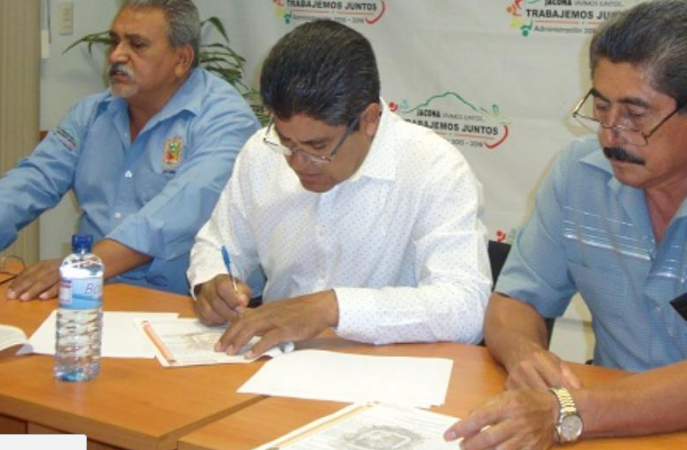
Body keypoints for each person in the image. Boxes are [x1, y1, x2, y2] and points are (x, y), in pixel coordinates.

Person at [446, 0, 687, 448]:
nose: (610, 133)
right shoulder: (578, 174)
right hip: (609, 425)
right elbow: (514, 302)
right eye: (601, 106)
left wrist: (563, 411)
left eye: (635, 114)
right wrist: (526, 357)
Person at [0, 0, 259, 298]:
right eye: (115, 41)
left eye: (137, 44)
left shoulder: (224, 119)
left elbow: (180, 209)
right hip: (95, 292)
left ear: (182, 59)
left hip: (191, 304)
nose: (117, 55)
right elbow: (36, 177)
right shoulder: (92, 112)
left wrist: (84, 265)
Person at [188, 19, 491, 355]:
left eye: (318, 147)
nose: (297, 162)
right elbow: (217, 243)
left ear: (369, 119)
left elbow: (466, 308)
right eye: (286, 141)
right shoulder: (261, 152)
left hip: (386, 367)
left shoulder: (434, 169)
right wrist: (211, 282)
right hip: (275, 359)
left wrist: (332, 307)